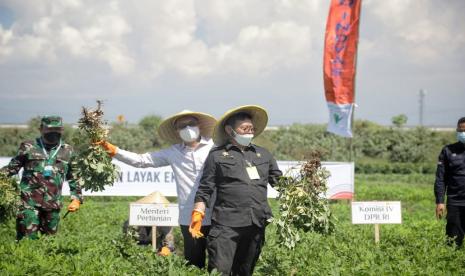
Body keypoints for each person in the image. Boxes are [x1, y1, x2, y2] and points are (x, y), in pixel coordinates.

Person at [98, 110, 216, 267]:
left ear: (199, 125)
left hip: (217, 213)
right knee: (194, 263)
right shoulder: (173, 152)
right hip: (188, 215)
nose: (188, 128)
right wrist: (114, 151)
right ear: (177, 131)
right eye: (183, 126)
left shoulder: (215, 147)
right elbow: (142, 160)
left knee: (219, 263)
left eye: (191, 124)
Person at [191, 105, 282, 275]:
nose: (249, 132)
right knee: (220, 270)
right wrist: (198, 211)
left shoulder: (263, 154)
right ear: (230, 130)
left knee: (245, 271)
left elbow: (279, 181)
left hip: (256, 223)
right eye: (244, 128)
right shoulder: (217, 155)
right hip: (227, 225)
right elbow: (205, 187)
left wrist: (300, 189)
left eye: (251, 129)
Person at [1, 115, 82, 240]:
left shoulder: (68, 151)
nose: (53, 132)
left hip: (53, 204)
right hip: (28, 203)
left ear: (62, 130)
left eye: (57, 130)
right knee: (26, 240)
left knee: (49, 242)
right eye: (49, 129)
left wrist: (76, 198)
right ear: (41, 129)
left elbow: (74, 177)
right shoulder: (28, 147)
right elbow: (12, 168)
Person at [435, 116, 465, 247]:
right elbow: (441, 178)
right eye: (460, 129)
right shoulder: (448, 150)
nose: (462, 133)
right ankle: (451, 263)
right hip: (455, 202)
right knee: (453, 241)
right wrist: (440, 201)